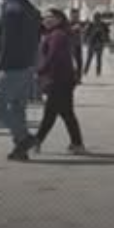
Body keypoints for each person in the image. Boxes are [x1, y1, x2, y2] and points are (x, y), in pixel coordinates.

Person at [0, 0, 42, 161]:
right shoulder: (32, 10)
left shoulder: (11, 11)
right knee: (18, 107)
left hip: (12, 66)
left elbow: (7, 42)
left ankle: (24, 137)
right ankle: (20, 149)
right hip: (28, 64)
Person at [34, 9, 86, 154]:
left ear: (59, 19)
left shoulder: (57, 35)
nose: (46, 20)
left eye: (50, 17)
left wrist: (40, 71)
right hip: (64, 79)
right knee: (66, 113)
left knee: (50, 113)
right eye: (44, 17)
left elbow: (53, 57)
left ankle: (36, 141)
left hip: (59, 80)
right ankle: (77, 143)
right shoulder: (55, 34)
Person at [83, 13, 107, 78]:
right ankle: (86, 71)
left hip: (99, 43)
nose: (97, 20)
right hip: (92, 43)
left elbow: (106, 33)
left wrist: (104, 39)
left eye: (98, 18)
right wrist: (85, 40)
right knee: (89, 58)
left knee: (98, 59)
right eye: (96, 18)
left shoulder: (102, 25)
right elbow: (86, 33)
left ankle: (98, 72)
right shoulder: (91, 25)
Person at [68, 8, 85, 77]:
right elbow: (66, 32)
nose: (76, 17)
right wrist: (73, 28)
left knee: (79, 61)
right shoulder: (68, 23)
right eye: (74, 15)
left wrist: (83, 30)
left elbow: (82, 32)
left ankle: (78, 77)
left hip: (78, 44)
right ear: (71, 15)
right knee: (72, 62)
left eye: (77, 15)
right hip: (71, 45)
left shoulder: (80, 23)